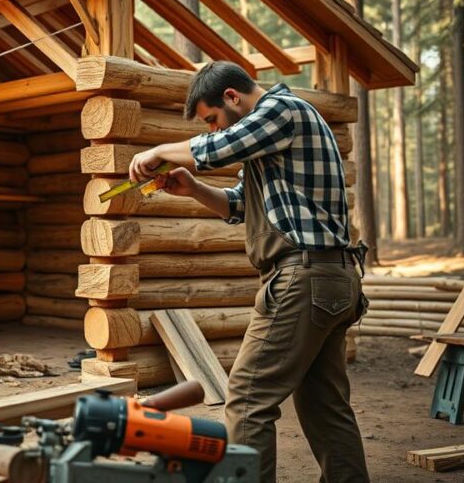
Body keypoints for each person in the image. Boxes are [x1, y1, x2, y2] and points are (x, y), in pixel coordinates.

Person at [128, 61, 369, 483]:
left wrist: (158, 151)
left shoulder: (282, 110)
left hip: (304, 278)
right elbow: (240, 204)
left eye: (212, 120)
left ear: (232, 98)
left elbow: (219, 149)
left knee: (246, 398)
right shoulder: (272, 137)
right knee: (325, 408)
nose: (213, 130)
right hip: (328, 277)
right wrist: (194, 188)